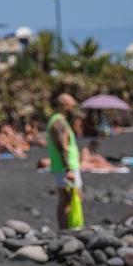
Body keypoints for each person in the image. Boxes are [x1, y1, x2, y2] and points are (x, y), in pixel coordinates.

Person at [46, 94, 83, 229]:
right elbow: (63, 147)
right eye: (71, 105)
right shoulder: (59, 122)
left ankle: (65, 228)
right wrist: (68, 169)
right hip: (65, 167)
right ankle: (66, 228)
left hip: (63, 166)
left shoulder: (58, 121)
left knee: (66, 198)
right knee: (68, 198)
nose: (73, 108)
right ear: (64, 105)